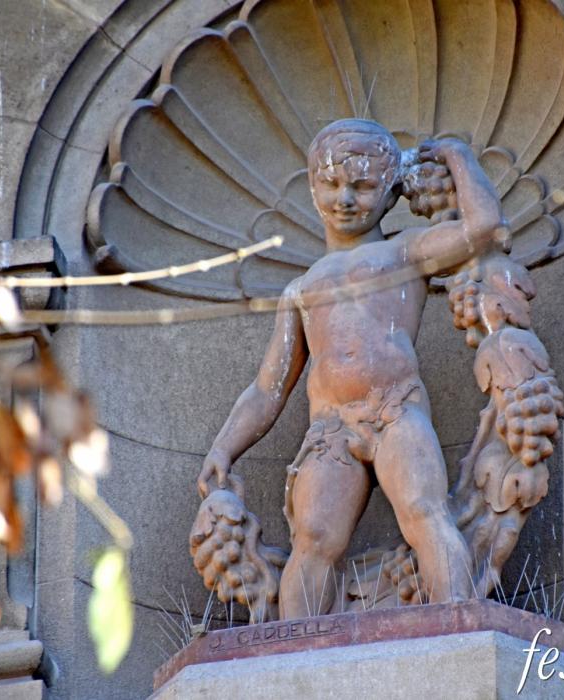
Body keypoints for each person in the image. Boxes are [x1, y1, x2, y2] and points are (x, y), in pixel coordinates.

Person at [197, 119, 506, 619]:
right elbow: (267, 389)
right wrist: (224, 447)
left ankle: (457, 623)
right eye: (332, 184)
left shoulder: (403, 252)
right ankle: (296, 653)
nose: (345, 198)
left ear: (390, 194)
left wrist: (457, 157)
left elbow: (482, 227)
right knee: (314, 542)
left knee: (425, 513)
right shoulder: (301, 289)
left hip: (394, 411)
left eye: (363, 186)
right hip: (330, 430)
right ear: (313, 188)